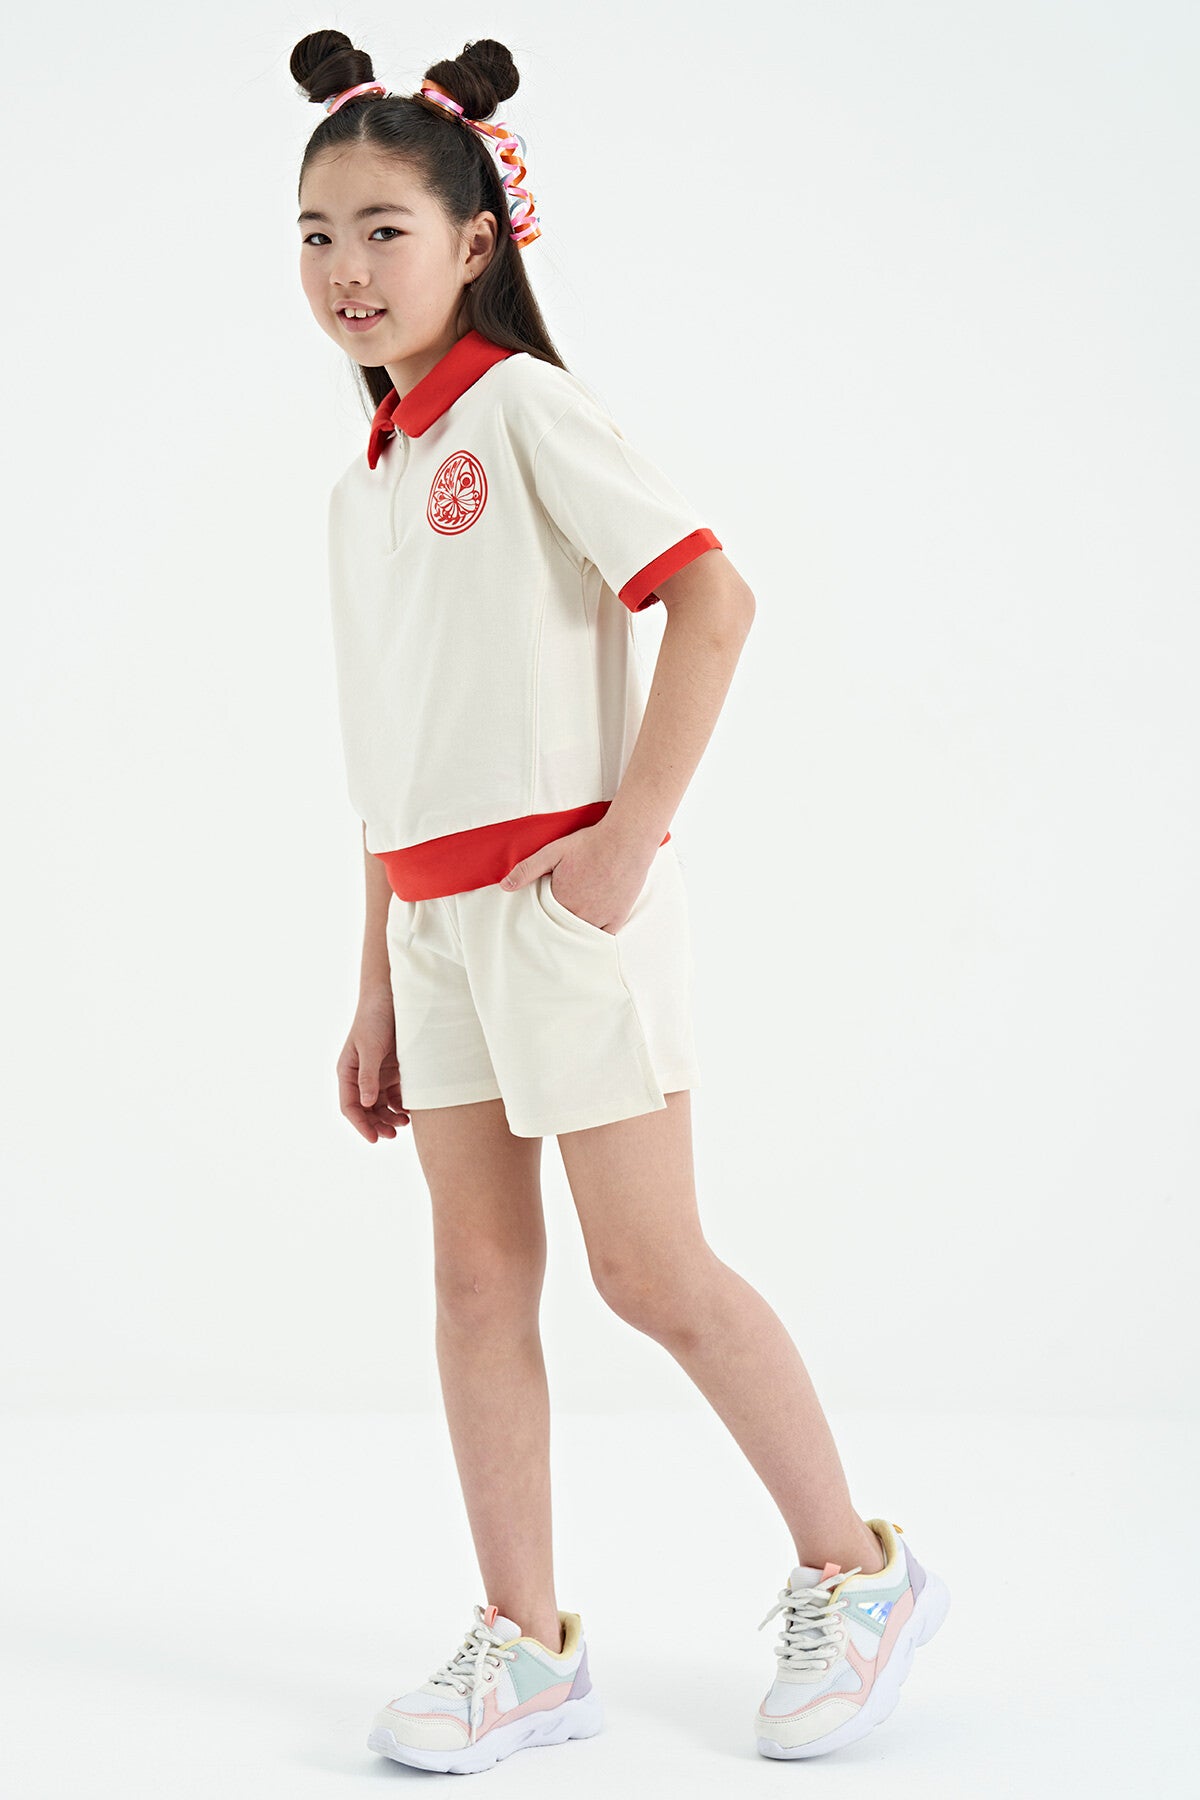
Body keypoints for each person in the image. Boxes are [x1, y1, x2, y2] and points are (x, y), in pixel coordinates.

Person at [292, 27, 949, 1776]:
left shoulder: (522, 409)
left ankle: (859, 1571)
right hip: (435, 926)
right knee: (474, 1287)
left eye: (382, 231)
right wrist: (376, 975)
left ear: (475, 241)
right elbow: (392, 759)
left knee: (650, 1269)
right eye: (318, 235)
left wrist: (623, 845)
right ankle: (527, 1648)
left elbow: (713, 600)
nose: (347, 269)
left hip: (564, 907)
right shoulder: (364, 485)